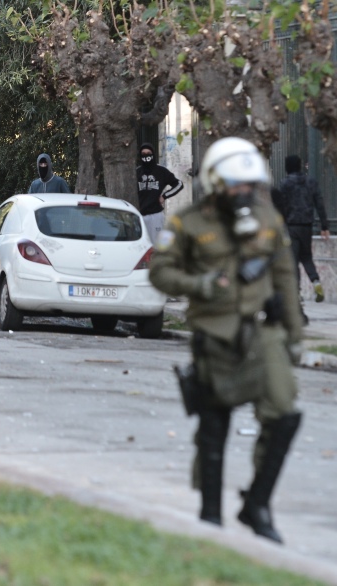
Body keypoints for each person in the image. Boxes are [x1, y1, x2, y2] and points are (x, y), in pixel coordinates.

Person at [149, 137, 304, 544]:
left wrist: (295, 336)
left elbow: (286, 278)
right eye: (237, 184)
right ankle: (211, 516)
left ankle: (257, 503)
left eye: (251, 184)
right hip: (214, 333)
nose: (245, 192)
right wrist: (199, 283)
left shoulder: (268, 220)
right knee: (214, 427)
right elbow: (160, 274)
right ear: (217, 184)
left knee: (284, 412)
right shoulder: (188, 224)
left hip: (262, 332)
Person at [273, 154, 329, 305]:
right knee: (307, 257)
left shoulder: (284, 184)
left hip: (291, 227)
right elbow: (319, 203)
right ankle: (316, 281)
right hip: (307, 226)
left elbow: (280, 206)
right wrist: (324, 226)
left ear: (287, 167)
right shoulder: (311, 182)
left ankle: (296, 293)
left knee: (293, 260)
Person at [137, 142, 183, 240]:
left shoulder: (161, 171)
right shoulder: (137, 172)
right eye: (143, 154)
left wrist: (164, 196)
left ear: (153, 154)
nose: (146, 156)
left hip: (155, 215)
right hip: (139, 215)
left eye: (148, 153)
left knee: (157, 245)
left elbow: (179, 184)